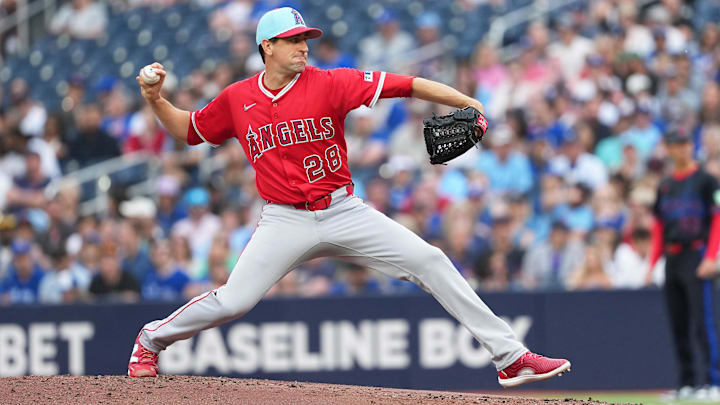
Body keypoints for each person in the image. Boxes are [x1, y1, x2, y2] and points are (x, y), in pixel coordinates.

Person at [127, 7, 570, 388]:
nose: (303, 46)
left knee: (430, 260)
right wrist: (154, 99)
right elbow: (189, 130)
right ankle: (150, 339)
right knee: (234, 301)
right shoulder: (237, 98)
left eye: (306, 39)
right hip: (284, 220)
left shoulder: (330, 82)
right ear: (267, 46)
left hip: (343, 209)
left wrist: (467, 98)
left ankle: (509, 358)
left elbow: (407, 84)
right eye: (292, 40)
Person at [647, 131, 720, 400]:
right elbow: (658, 226)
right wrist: (652, 263)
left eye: (686, 144)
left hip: (697, 255)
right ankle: (686, 382)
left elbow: (717, 218)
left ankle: (712, 382)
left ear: (691, 146)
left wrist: (712, 256)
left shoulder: (707, 181)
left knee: (703, 324)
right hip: (672, 257)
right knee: (678, 323)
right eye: (676, 145)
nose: (682, 150)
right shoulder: (665, 184)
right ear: (668, 149)